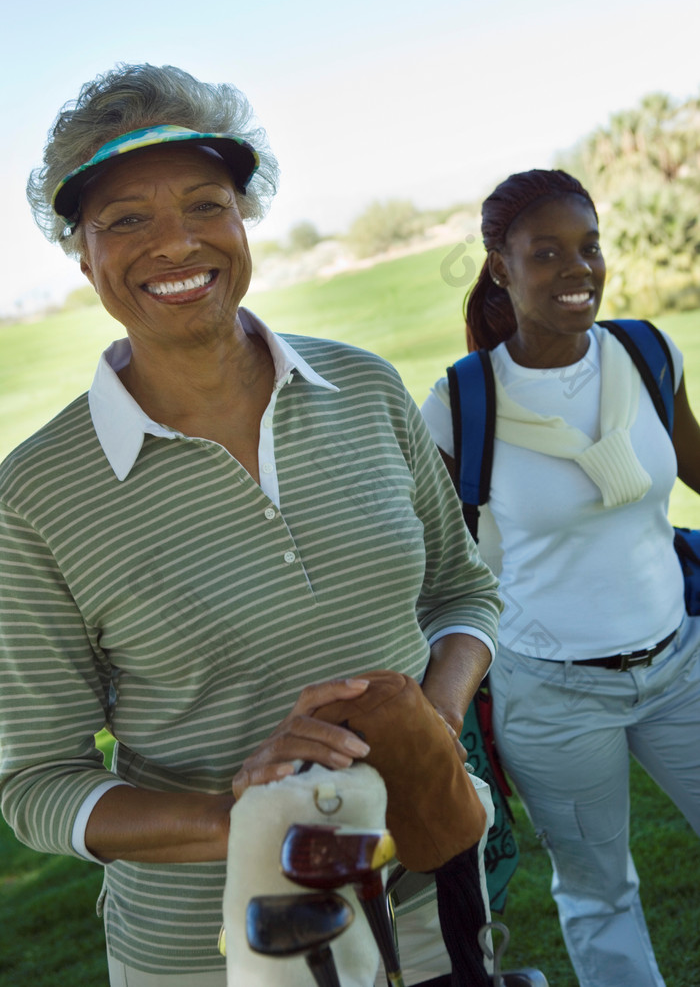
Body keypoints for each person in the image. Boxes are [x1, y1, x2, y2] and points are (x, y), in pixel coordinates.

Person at [0, 63, 501, 987]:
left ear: (244, 215)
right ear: (80, 252)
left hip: (431, 899)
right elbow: (37, 785)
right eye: (126, 220)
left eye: (206, 203)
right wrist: (246, 821)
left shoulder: (366, 387)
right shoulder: (33, 495)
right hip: (212, 950)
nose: (175, 242)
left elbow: (463, 589)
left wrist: (431, 720)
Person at [420, 168, 700, 987]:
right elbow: (435, 559)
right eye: (547, 253)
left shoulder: (647, 353)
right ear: (500, 267)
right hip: (551, 694)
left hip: (681, 665)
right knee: (598, 891)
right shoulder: (464, 402)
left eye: (589, 246)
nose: (578, 269)